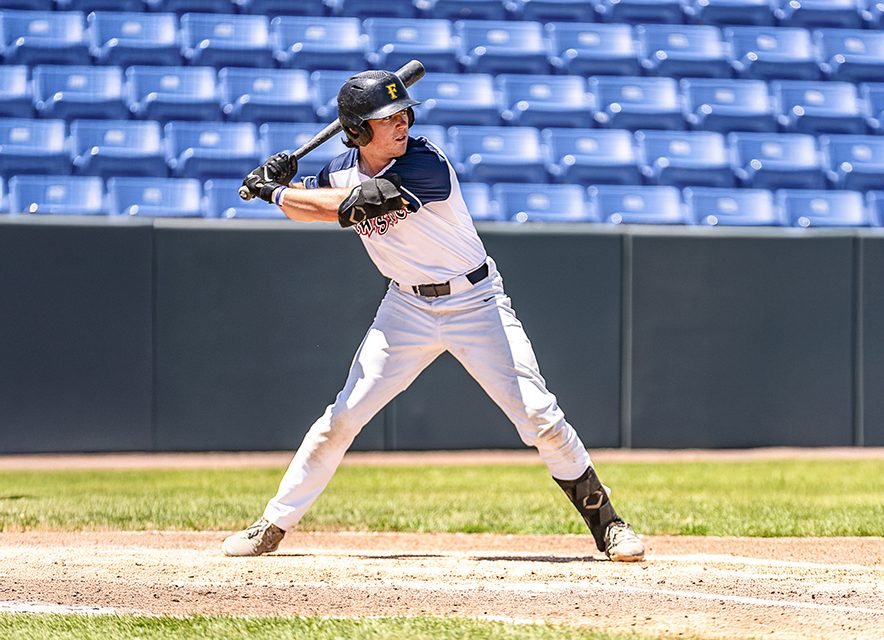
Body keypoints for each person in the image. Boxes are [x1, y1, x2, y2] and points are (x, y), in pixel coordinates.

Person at [224, 69, 645, 562]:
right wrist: (285, 188)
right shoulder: (338, 169)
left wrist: (275, 191)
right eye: (388, 117)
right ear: (358, 130)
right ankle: (271, 526)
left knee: (539, 417)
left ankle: (609, 525)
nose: (402, 122)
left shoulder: (426, 163)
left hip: (476, 301)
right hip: (405, 307)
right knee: (341, 419)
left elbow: (353, 207)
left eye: (404, 112)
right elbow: (309, 207)